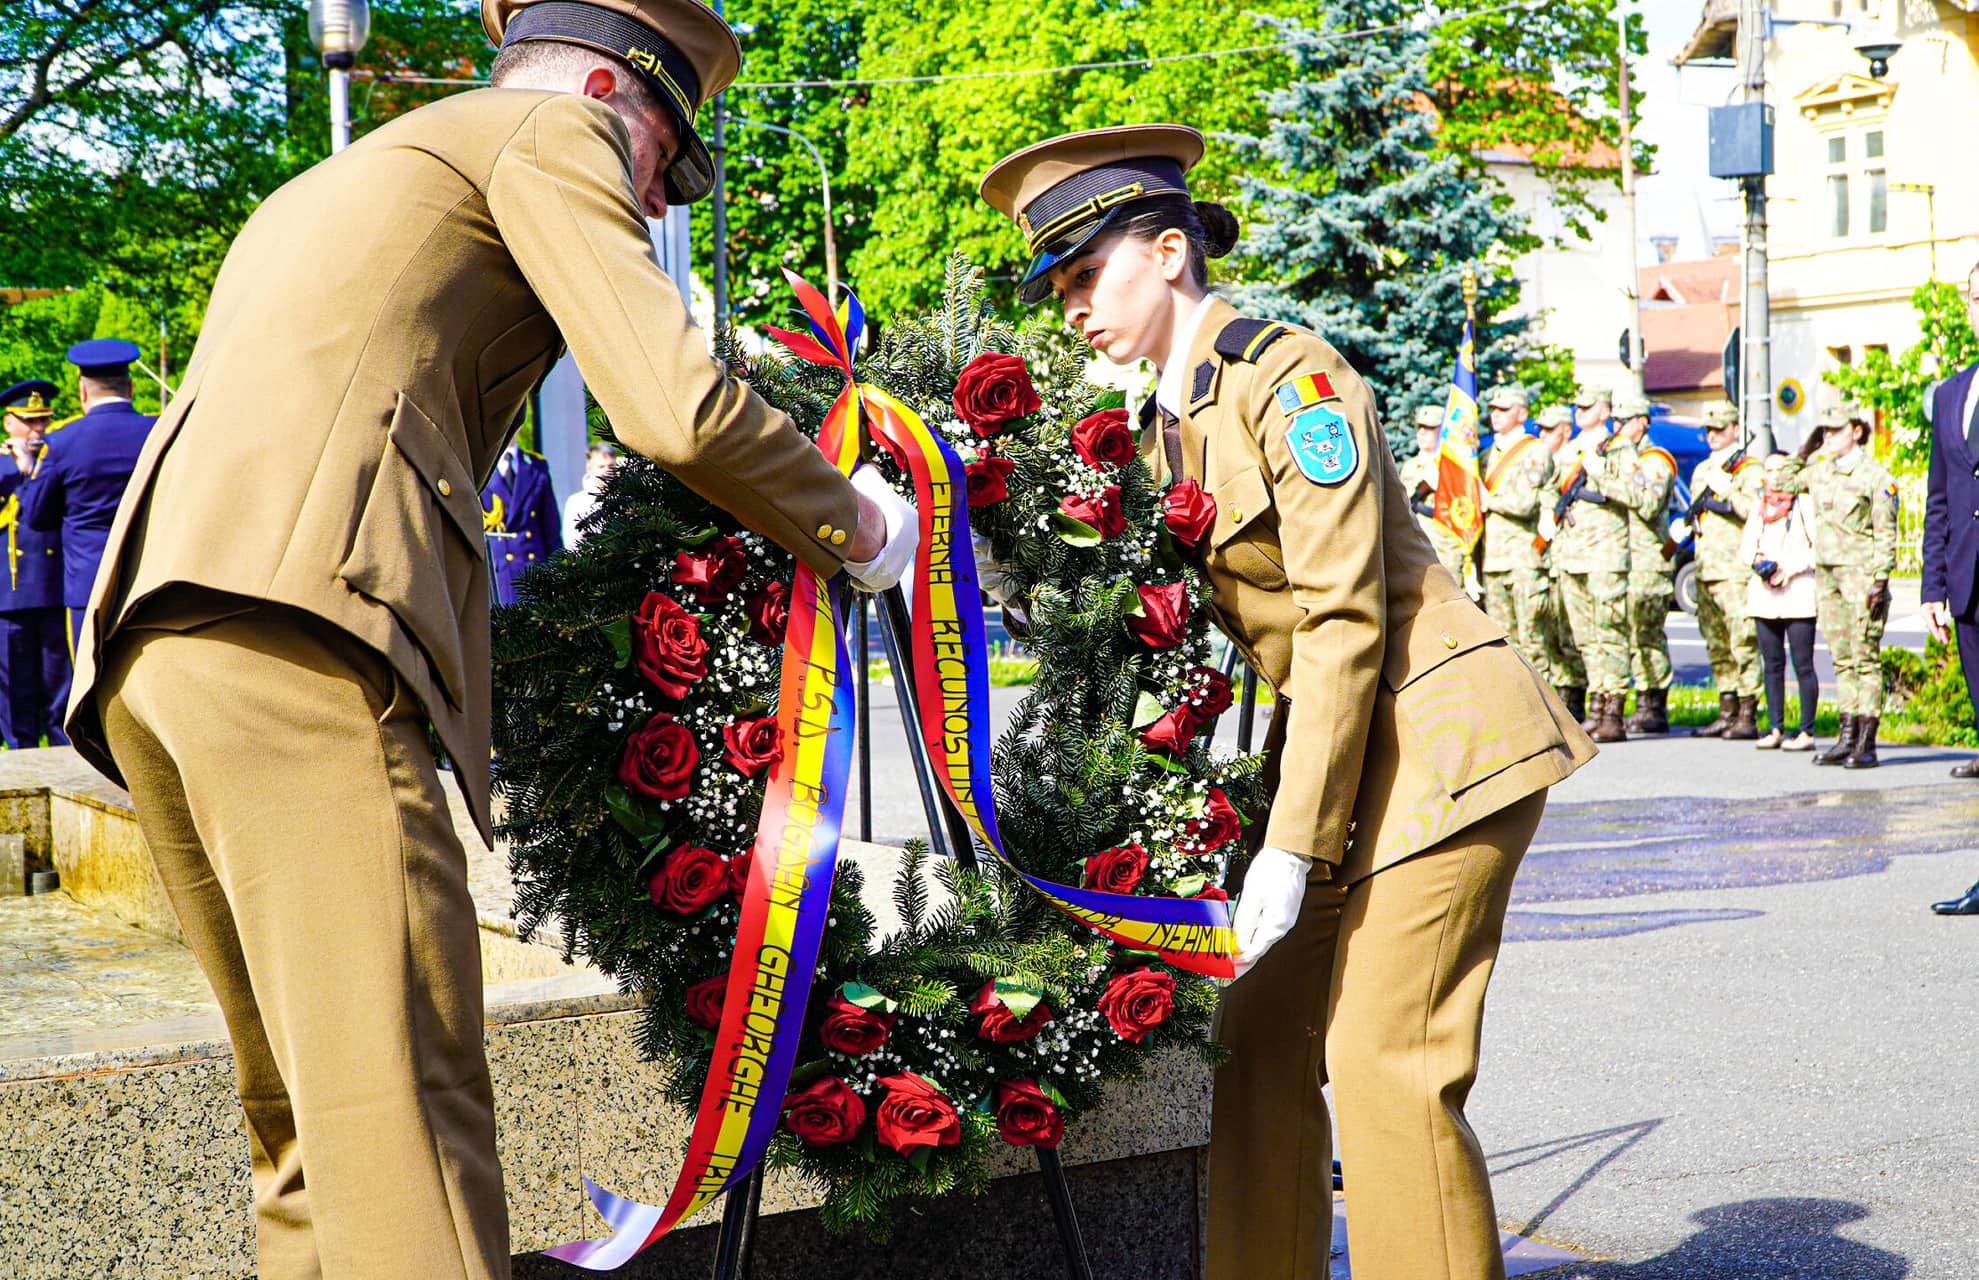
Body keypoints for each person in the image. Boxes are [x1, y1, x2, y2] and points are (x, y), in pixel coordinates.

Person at [61, 2, 918, 1276]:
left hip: (153, 648)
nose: (653, 195)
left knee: (308, 1129)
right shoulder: (551, 135)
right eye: (660, 158)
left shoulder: (357, 171)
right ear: (600, 86)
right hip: (309, 637)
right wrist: (858, 522)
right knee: (407, 1109)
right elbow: (671, 407)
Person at [980, 124, 1595, 1280]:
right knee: (1255, 1040)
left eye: (1084, 273)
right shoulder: (1166, 423)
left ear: (1167, 252)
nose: (1068, 306)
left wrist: (1288, 844)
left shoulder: (1288, 377)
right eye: (1055, 285)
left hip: (1439, 741)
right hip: (1342, 759)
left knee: (1383, 1058)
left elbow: (1346, 622)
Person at [15, 340, 157, 661]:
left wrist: (30, 472)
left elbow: (37, 517)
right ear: (131, 387)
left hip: (89, 586)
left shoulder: (64, 442)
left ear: (83, 391)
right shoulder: (159, 430)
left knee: (90, 683)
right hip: (153, 579)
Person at [1792, 402, 1898, 768]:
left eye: (1835, 430)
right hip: (1828, 574)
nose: (1828, 437)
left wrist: (1880, 579)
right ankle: (1846, 736)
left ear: (1856, 431)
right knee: (1841, 659)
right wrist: (1806, 448)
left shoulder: (1875, 477)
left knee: (1864, 658)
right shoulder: (1821, 472)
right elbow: (1784, 481)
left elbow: (1886, 533)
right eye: (1825, 430)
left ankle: (1867, 742)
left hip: (1861, 576)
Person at [1923, 263, 1979, 912]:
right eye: (1975, 296)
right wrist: (1933, 588)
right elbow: (1938, 498)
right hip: (1967, 589)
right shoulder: (1949, 393)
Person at [1555, 384, 1636, 741]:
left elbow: (1636, 495)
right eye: (1577, 406)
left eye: (1587, 407)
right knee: (1586, 637)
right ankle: (1597, 706)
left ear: (1605, 412)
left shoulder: (1619, 448)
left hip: (1605, 553)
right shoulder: (1570, 448)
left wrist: (1600, 471)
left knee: (1610, 632)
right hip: (1572, 555)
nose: (1579, 411)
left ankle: (1614, 712)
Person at [1686, 401, 1763, 738]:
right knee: (1716, 642)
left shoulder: (1748, 470)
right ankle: (1727, 707)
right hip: (1706, 567)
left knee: (1742, 640)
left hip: (1734, 568)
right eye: (1708, 429)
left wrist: (1727, 489)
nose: (1712, 435)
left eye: (1719, 428)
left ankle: (1748, 712)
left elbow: (1754, 510)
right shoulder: (1703, 469)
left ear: (1735, 428)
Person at [0, 380, 69, 748]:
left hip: (54, 590)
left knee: (60, 685)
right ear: (9, 422)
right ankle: (19, 758)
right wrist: (21, 472)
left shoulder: (56, 463)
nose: (38, 429)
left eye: (43, 420)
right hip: (8, 596)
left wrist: (34, 472)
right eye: (29, 421)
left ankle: (65, 755)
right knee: (15, 692)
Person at [1741, 452, 1819, 750]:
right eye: (1769, 469)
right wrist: (1758, 561)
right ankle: (1775, 727)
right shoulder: (1760, 505)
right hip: (1765, 596)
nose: (1773, 475)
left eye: (1779, 469)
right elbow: (1746, 546)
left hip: (1797, 593)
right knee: (1771, 665)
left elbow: (1818, 549)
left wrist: (1790, 567)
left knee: (1803, 664)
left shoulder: (1803, 504)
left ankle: (1806, 731)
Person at [1478, 384, 1555, 676]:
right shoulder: (1487, 455)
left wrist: (1490, 501)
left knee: (1531, 642)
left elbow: (1526, 503)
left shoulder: (1534, 452)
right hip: (1494, 559)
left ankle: (1545, 714)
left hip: (1523, 558)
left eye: (1504, 410)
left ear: (1521, 413)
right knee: (1502, 644)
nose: (1496, 415)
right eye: (1493, 410)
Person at [1614, 395, 1678, 734]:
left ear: (1642, 421)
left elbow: (1648, 504)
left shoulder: (1654, 461)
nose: (1618, 429)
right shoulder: (1631, 459)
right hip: (1628, 559)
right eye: (1616, 422)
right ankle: (1643, 699)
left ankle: (1653, 704)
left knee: (1647, 635)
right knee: (1632, 634)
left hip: (1649, 561)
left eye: (1624, 421)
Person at [1532, 404, 1586, 721]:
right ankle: (1561, 696)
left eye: (1549, 430)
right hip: (1550, 559)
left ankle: (1575, 699)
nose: (1542, 435)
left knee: (1571, 632)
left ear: (1566, 430)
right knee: (1552, 632)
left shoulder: (1576, 460)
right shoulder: (1548, 460)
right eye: (1540, 429)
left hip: (1573, 557)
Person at [481, 438, 563, 604]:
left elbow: (551, 531)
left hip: (531, 569)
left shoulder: (536, 465)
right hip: (497, 572)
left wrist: (558, 577)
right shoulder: (480, 466)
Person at [1396, 403, 1468, 584]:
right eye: (1420, 428)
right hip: (1415, 543)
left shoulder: (1455, 465)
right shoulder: (1411, 466)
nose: (1421, 433)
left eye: (1429, 429)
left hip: (1446, 544)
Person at [561, 440, 620, 546]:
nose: (607, 471)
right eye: (601, 466)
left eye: (611, 466)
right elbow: (572, 544)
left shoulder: (626, 497)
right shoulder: (576, 502)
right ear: (589, 468)